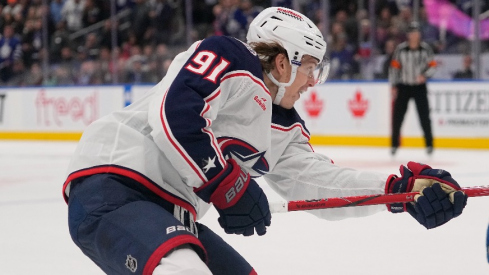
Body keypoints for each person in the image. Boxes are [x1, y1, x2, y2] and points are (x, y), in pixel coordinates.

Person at [63, 7, 467, 275]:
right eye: (310, 67)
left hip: (172, 212)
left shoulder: (283, 128)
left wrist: (399, 192)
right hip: (114, 186)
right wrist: (228, 185)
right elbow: (176, 115)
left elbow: (319, 184)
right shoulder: (229, 56)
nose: (313, 81)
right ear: (282, 61)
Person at [389, 21, 436, 156]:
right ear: (408, 35)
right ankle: (394, 145)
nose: (414, 35)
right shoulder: (401, 49)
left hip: (419, 87)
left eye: (416, 32)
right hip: (404, 86)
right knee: (398, 117)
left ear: (419, 34)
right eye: (411, 33)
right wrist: (394, 85)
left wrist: (425, 75)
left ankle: (429, 145)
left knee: (424, 117)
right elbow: (394, 68)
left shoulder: (425, 49)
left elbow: (433, 65)